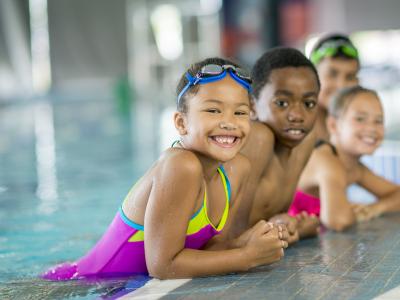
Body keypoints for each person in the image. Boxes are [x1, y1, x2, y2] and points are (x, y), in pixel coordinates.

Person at [41, 57, 288, 281]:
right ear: (181, 123)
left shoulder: (237, 170)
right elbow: (163, 267)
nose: (229, 122)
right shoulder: (181, 166)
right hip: (82, 284)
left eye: (240, 112)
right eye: (213, 110)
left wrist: (255, 240)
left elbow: (210, 252)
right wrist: (248, 257)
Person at [231, 47, 321, 244]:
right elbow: (228, 241)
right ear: (252, 106)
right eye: (281, 103)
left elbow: (268, 222)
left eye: (309, 103)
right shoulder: (258, 138)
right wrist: (289, 233)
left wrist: (290, 226)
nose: (297, 116)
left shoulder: (305, 140)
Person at [289, 86, 400, 231]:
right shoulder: (325, 159)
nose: (372, 128)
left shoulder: (356, 168)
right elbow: (339, 221)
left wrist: (375, 208)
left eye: (378, 121)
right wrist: (349, 209)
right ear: (333, 125)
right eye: (360, 119)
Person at [309, 34, 360, 141]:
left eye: (350, 77)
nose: (341, 85)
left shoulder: (355, 135)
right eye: (332, 74)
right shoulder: (294, 133)